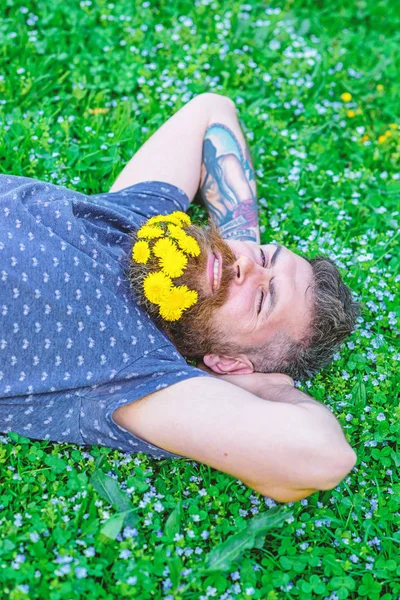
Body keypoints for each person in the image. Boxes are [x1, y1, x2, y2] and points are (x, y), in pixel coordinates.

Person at [0, 93, 358, 502]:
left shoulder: (138, 374)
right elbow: (210, 111)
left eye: (262, 299)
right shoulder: (144, 224)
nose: (247, 267)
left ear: (228, 362)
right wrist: (237, 248)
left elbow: (325, 457)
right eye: (263, 257)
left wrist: (262, 388)